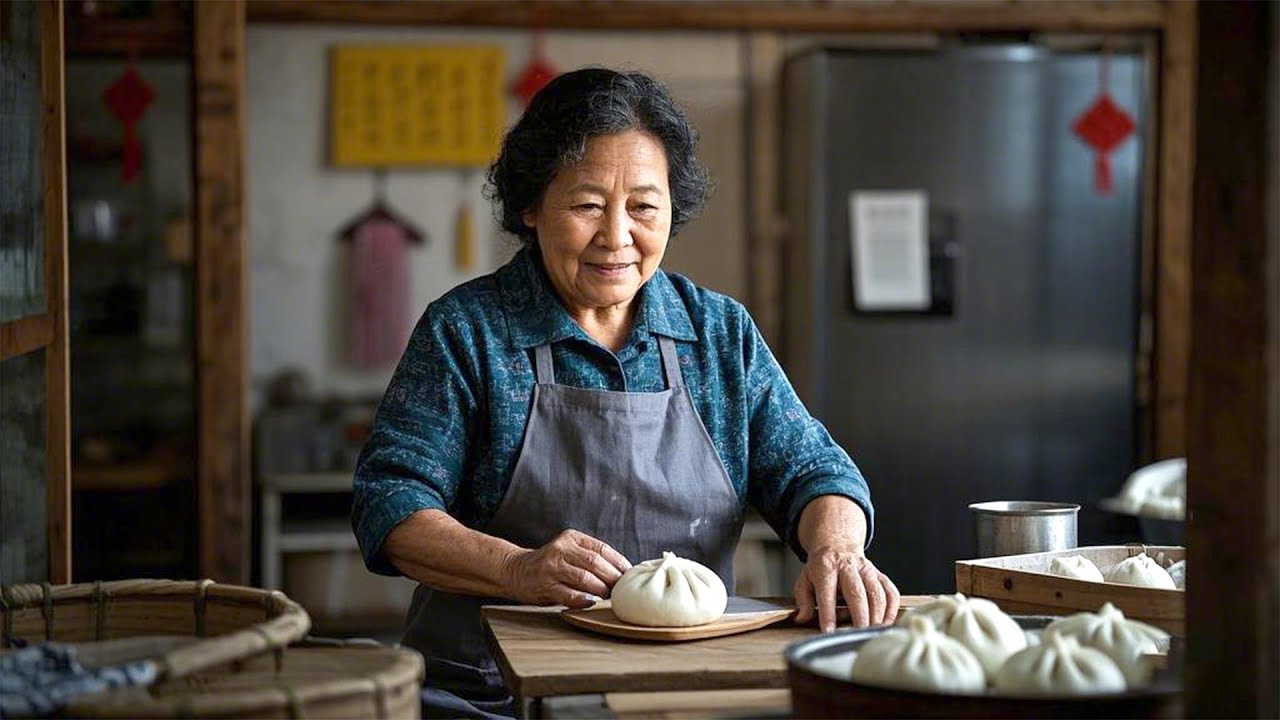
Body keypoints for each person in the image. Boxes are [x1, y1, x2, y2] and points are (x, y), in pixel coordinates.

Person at [352, 67, 900, 718]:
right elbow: (391, 502)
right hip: (492, 698)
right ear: (531, 207)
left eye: (643, 207)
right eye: (587, 205)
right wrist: (514, 569)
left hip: (683, 691)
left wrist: (836, 546)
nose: (617, 237)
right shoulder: (466, 332)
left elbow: (815, 472)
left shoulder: (718, 333)